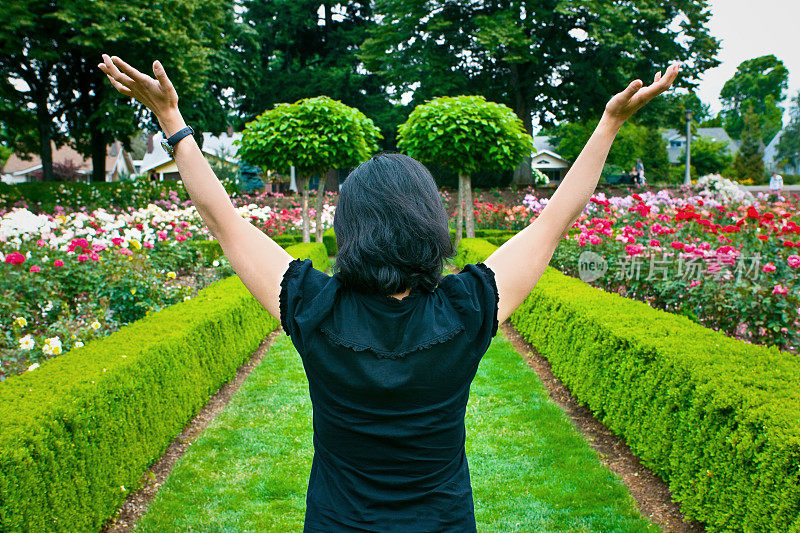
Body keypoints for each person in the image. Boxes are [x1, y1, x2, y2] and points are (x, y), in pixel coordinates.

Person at [98, 54, 680, 532]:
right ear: (431, 222)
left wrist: (173, 121)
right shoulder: (468, 308)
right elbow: (553, 219)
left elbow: (224, 220)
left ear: (349, 228)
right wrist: (608, 125)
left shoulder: (312, 306)